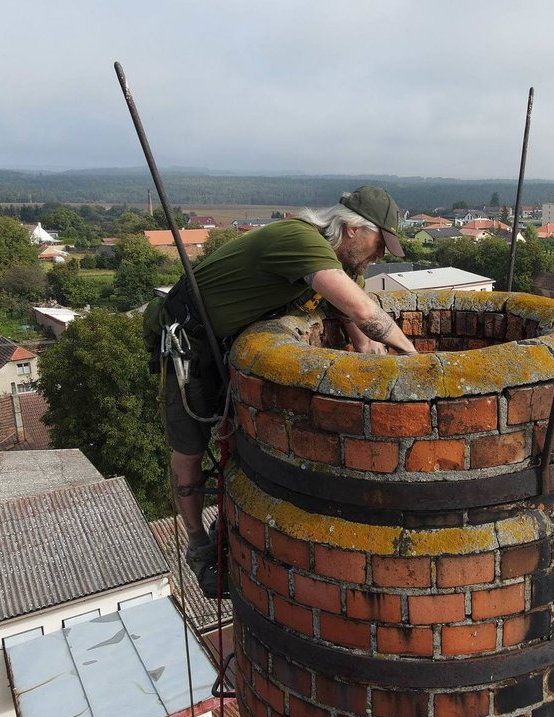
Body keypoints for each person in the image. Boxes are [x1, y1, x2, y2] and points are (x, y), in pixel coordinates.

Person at [144, 186, 417, 596]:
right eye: (380, 244)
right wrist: (418, 359)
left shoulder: (344, 263)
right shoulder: (299, 240)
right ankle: (198, 544)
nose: (380, 256)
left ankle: (231, 517)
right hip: (189, 342)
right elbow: (364, 310)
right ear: (353, 229)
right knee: (189, 451)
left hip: (227, 344)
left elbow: (362, 337)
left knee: (235, 439)